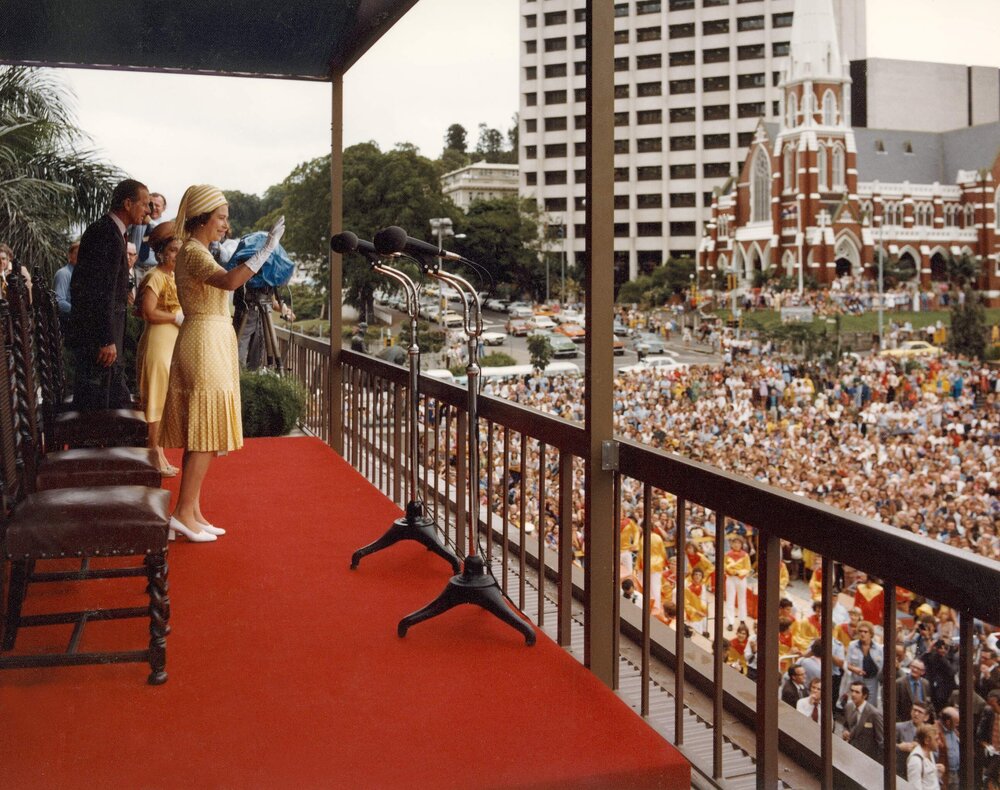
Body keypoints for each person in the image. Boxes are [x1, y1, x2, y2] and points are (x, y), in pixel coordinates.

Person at [159, 185, 283, 542]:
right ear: (202, 217)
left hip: (211, 339)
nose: (226, 226)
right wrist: (265, 252)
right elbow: (230, 281)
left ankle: (192, 511)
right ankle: (183, 513)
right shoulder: (194, 252)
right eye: (222, 218)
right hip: (202, 341)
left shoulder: (199, 251)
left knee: (206, 431)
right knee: (202, 430)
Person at [69, 179, 150, 410]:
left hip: (105, 341)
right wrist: (106, 339)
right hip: (100, 345)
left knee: (115, 401)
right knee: (102, 408)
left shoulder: (113, 232)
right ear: (127, 203)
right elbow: (99, 291)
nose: (147, 211)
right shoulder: (106, 233)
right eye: (144, 204)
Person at [135, 221, 183, 476]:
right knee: (155, 401)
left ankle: (160, 454)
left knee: (162, 402)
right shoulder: (155, 276)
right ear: (162, 253)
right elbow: (148, 312)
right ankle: (154, 455)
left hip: (170, 343)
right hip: (158, 343)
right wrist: (175, 317)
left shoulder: (173, 276)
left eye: (179, 250)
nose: (177, 255)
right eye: (173, 251)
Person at [843, 681, 884, 763]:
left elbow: (881, 740)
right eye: (852, 691)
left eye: (857, 692)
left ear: (864, 695)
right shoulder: (848, 707)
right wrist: (845, 731)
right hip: (850, 754)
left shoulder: (874, 714)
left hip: (867, 759)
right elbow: (846, 724)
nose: (853, 694)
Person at [845, 620, 883, 707]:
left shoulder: (879, 648)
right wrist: (855, 669)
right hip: (857, 680)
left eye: (865, 632)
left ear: (871, 634)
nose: (862, 634)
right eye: (860, 631)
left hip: (872, 681)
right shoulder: (852, 645)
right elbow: (847, 664)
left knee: (870, 706)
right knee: (854, 705)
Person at [723, 533, 751, 630]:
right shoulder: (727, 554)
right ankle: (730, 622)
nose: (736, 545)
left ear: (741, 544)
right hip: (730, 578)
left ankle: (742, 620)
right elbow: (724, 566)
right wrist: (731, 572)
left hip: (741, 579)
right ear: (732, 544)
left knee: (742, 599)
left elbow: (748, 568)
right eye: (734, 543)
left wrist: (738, 573)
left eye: (738, 543)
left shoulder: (745, 555)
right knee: (730, 600)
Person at [897, 701, 932, 776]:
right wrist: (899, 747)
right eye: (914, 710)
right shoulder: (899, 727)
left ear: (926, 717)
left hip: (922, 773)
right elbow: (885, 745)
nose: (916, 714)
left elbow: (935, 753)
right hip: (903, 773)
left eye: (920, 712)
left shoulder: (930, 731)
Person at [906, 723, 942, 789]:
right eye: (936, 739)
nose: (939, 742)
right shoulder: (915, 760)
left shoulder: (930, 752)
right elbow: (914, 787)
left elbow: (929, 781)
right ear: (927, 741)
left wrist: (938, 772)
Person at [896, 658, 933, 722]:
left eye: (918, 669)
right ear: (910, 667)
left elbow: (928, 703)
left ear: (922, 672)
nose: (915, 670)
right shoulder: (900, 683)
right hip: (905, 721)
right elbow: (895, 706)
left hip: (921, 722)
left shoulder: (925, 683)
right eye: (913, 667)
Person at [53, 240, 79, 328]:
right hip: (69, 322)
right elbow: (59, 301)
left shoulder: (81, 274)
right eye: (76, 253)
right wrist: (80, 312)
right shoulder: (64, 273)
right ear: (70, 256)